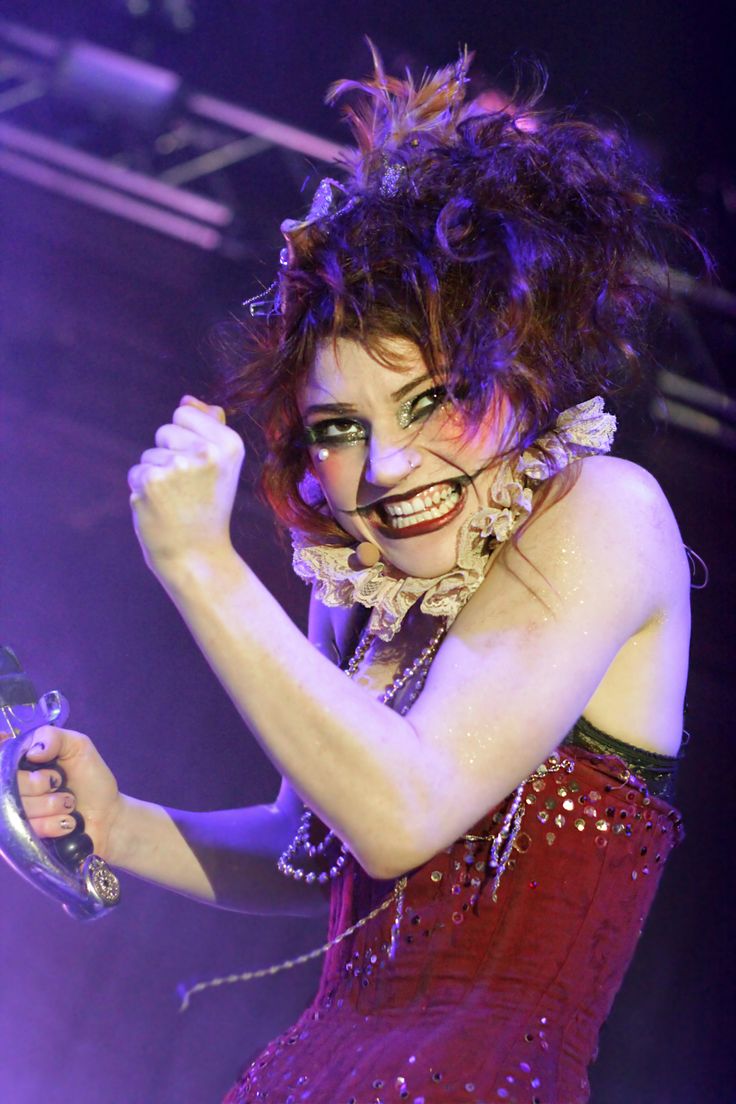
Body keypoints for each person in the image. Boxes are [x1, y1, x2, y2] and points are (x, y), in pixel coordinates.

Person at [19, 50, 695, 1104]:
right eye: (340, 427)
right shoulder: (366, 584)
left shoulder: (599, 511)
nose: (383, 468)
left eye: (429, 403)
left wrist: (202, 563)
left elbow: (403, 810)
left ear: (519, 376)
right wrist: (123, 827)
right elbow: (316, 842)